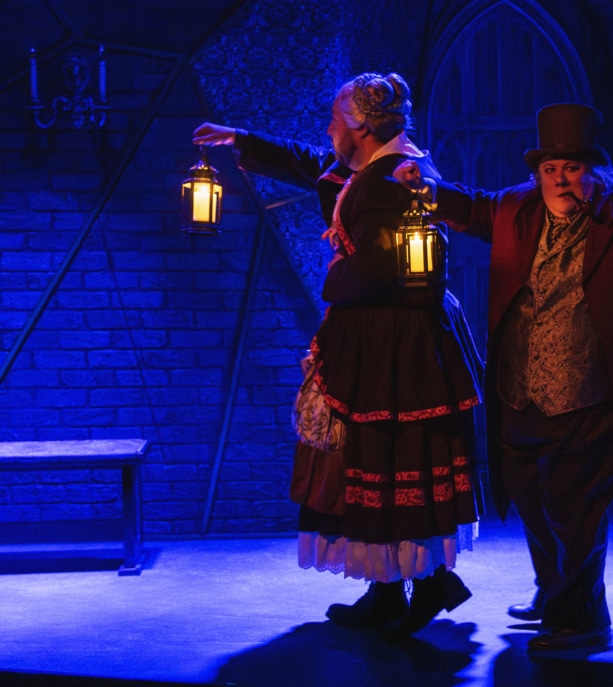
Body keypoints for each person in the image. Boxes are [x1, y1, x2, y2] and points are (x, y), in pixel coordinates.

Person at [394, 103, 613, 651]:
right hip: (519, 391)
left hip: (589, 396)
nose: (560, 180)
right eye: (550, 169)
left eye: (572, 168)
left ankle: (582, 620)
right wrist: (427, 189)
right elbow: (471, 206)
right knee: (531, 498)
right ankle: (555, 593)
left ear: (596, 172)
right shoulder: (517, 208)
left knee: (577, 512)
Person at [191, 72, 482, 636]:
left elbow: (387, 266)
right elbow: (314, 164)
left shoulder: (396, 178)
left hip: (396, 339)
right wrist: (240, 140)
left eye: (333, 121)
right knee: (372, 458)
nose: (328, 131)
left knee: (391, 453)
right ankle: (394, 588)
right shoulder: (374, 168)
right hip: (380, 331)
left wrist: (335, 277)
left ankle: (422, 584)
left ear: (361, 127)